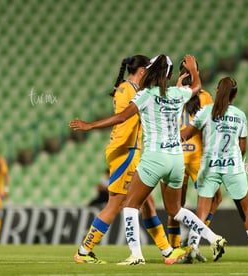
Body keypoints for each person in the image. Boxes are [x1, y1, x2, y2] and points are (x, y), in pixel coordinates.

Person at [70, 54, 227, 265]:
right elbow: (197, 86)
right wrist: (193, 70)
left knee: (128, 205)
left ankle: (129, 254)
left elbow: (122, 117)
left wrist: (90, 125)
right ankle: (208, 239)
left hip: (152, 158)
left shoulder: (145, 94)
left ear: (150, 71)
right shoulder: (176, 93)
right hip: (175, 159)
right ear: (170, 75)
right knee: (172, 210)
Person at [181, 77, 248, 264]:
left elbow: (186, 135)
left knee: (201, 212)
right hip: (233, 166)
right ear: (235, 95)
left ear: (216, 91)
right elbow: (243, 146)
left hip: (209, 166)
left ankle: (192, 250)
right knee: (246, 212)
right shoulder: (240, 115)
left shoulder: (205, 112)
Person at [166, 60, 223, 263]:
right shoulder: (204, 96)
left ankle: (175, 249)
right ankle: (193, 243)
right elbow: (209, 125)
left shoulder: (171, 94)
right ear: (196, 72)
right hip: (198, 157)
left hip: (175, 155)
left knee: (175, 207)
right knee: (214, 199)